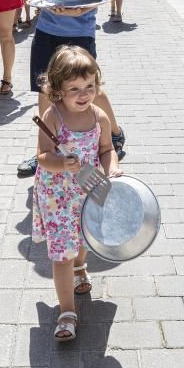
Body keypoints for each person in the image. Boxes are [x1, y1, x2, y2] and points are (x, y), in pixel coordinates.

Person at [16, 0, 125, 177]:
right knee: (45, 89)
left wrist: (79, 10)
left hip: (78, 31)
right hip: (47, 27)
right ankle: (45, 150)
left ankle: (113, 132)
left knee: (88, 89)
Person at [31, 47, 121, 342]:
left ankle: (81, 266)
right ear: (57, 89)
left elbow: (107, 150)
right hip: (57, 195)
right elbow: (42, 155)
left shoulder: (100, 118)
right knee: (61, 254)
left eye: (90, 87)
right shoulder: (52, 116)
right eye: (74, 89)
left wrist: (112, 170)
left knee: (83, 239)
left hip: (87, 190)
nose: (84, 94)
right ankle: (67, 311)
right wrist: (60, 163)